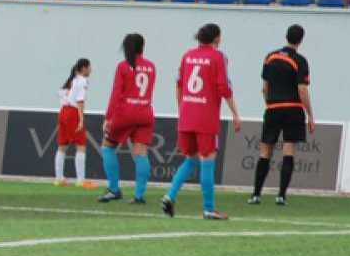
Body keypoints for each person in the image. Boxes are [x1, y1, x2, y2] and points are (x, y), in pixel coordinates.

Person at [162, 24, 241, 221]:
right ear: (216, 38)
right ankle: (209, 209)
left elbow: (179, 85)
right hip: (206, 116)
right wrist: (236, 113)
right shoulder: (218, 57)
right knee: (208, 158)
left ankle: (169, 195)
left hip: (187, 114)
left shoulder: (187, 55)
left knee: (191, 158)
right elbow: (224, 88)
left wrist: (182, 110)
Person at [250, 25, 316, 206]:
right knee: (289, 150)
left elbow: (265, 87)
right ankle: (281, 195)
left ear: (285, 36)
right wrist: (310, 115)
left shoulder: (270, 57)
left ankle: (256, 194)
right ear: (301, 40)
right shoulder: (300, 60)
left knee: (265, 151)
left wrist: (269, 104)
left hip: (273, 107)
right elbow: (302, 90)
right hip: (293, 108)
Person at [99, 34, 156, 204]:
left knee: (108, 147)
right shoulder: (151, 67)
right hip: (145, 112)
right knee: (141, 152)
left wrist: (108, 117)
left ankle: (114, 189)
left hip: (126, 112)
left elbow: (116, 93)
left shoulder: (123, 67)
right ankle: (139, 196)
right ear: (142, 47)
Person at [55, 58, 93, 188]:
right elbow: (80, 100)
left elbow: (61, 94)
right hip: (72, 112)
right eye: (89, 67)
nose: (91, 70)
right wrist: (81, 119)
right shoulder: (82, 81)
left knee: (62, 145)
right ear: (83, 68)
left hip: (63, 111)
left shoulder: (73, 80)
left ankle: (59, 179)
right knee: (81, 144)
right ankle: (81, 180)